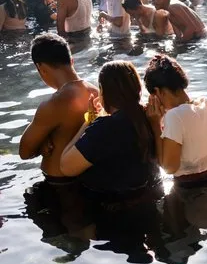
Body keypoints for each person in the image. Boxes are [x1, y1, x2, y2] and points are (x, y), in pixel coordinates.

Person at [59, 61, 160, 195]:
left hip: (110, 204)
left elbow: (65, 167)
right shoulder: (150, 116)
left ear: (104, 91)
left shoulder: (105, 128)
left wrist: (88, 122)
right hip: (147, 197)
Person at [19, 34, 99, 183]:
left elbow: (24, 152)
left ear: (41, 68)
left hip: (57, 185)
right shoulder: (97, 93)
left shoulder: (52, 105)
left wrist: (41, 145)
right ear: (72, 60)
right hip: (89, 181)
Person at [144, 55, 207, 186]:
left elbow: (169, 168)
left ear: (157, 91)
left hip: (188, 191)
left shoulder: (174, 116)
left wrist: (155, 124)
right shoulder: (206, 104)